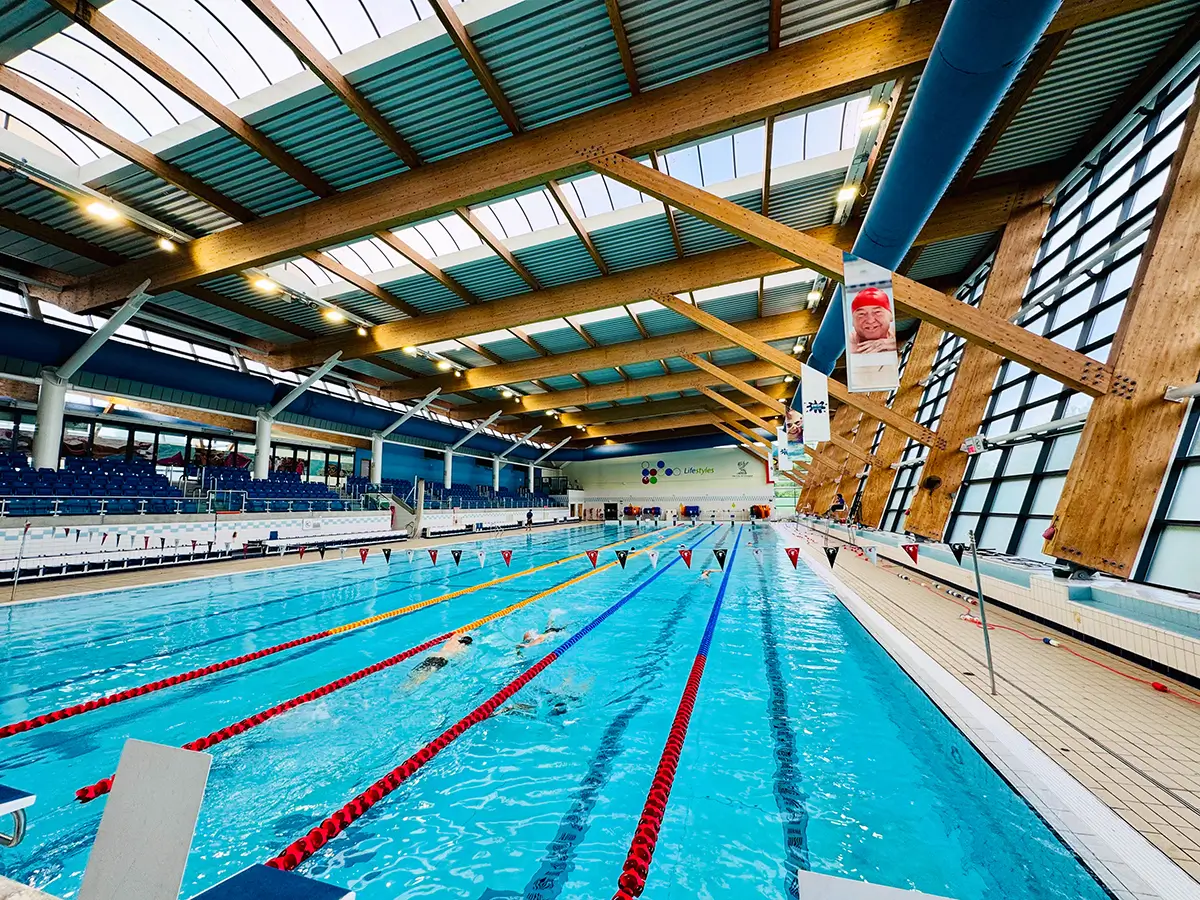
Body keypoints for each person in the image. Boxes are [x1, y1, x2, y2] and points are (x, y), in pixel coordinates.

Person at [404, 632, 474, 689]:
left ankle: (404, 685)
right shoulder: (463, 648)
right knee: (424, 676)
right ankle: (408, 689)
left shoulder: (453, 640)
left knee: (416, 672)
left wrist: (465, 634)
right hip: (441, 660)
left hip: (432, 656)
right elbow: (459, 659)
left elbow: (456, 634)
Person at [847, 287, 897, 354]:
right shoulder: (847, 343)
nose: (870, 320)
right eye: (861, 314)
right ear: (853, 321)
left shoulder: (899, 334)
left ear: (891, 316)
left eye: (877, 312)